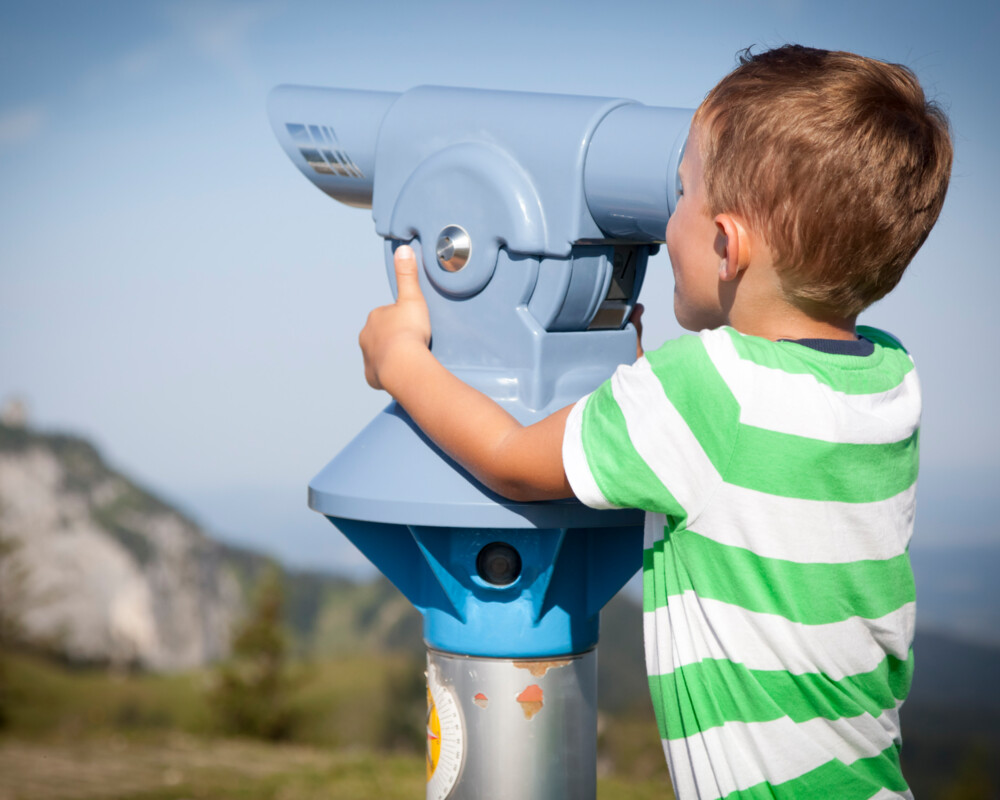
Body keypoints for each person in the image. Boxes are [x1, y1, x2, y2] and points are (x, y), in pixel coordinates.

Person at [358, 44, 952, 799]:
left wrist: (404, 363)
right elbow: (735, 471)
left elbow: (512, 459)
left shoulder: (702, 394)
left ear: (728, 244)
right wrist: (641, 384)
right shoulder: (888, 376)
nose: (661, 222)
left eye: (679, 196)